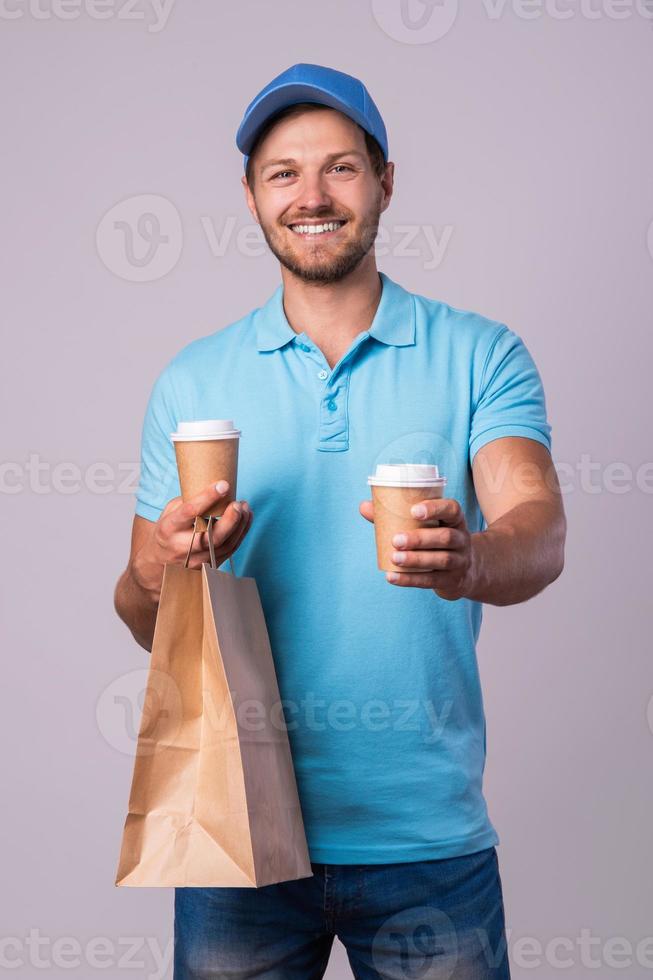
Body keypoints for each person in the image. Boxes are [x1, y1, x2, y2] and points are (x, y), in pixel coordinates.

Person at [114, 63, 566, 980]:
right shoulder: (193, 381)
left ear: (385, 181)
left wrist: (468, 558)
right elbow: (137, 609)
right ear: (249, 197)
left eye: (340, 169)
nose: (311, 196)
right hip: (234, 827)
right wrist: (167, 565)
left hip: (425, 840)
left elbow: (540, 532)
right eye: (283, 173)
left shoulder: (480, 354)